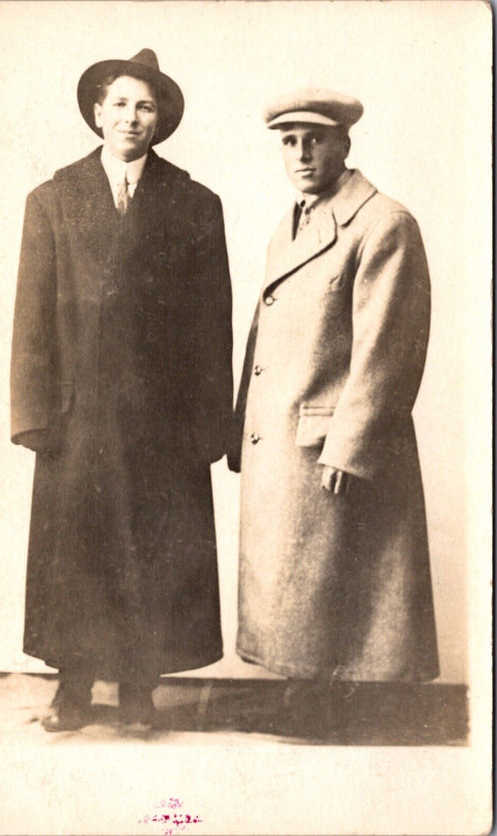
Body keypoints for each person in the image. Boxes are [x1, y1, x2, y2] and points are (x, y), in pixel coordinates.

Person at [11, 49, 233, 731]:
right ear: (97, 112)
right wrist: (32, 413)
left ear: (160, 117)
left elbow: (211, 322)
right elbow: (31, 316)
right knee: (76, 552)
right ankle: (72, 687)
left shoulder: (194, 202)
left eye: (145, 105)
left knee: (154, 551)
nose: (131, 116)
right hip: (78, 418)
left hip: (160, 420)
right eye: (119, 103)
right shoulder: (52, 198)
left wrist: (208, 427)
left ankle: (140, 687)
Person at [229, 89, 439, 717]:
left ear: (345, 142)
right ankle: (306, 693)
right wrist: (242, 426)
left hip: (333, 443)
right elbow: (264, 333)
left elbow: (389, 351)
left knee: (339, 584)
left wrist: (351, 444)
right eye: (289, 141)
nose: (301, 153)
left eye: (315, 139)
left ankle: (332, 703)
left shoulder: (383, 223)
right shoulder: (292, 221)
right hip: (286, 438)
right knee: (303, 588)